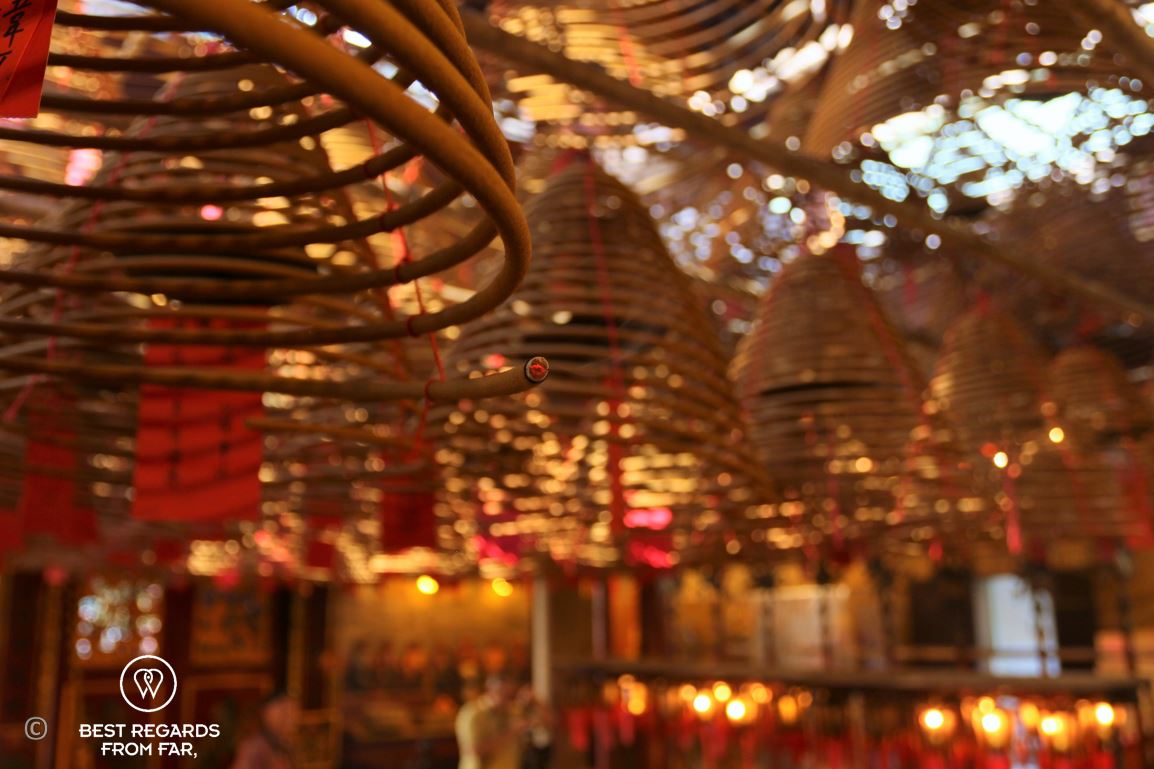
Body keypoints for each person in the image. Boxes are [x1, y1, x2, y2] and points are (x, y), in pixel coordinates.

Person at [455, 675, 523, 769]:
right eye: (504, 694)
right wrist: (511, 733)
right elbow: (472, 750)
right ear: (491, 690)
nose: (508, 699)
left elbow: (547, 722)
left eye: (511, 695)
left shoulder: (511, 711)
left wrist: (535, 700)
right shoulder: (472, 713)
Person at [230, 690, 299, 769]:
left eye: (293, 712)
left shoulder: (283, 746)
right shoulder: (254, 746)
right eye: (285, 712)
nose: (292, 719)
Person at [517, 686, 553, 769]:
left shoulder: (538, 707)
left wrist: (536, 701)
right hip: (525, 749)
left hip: (540, 748)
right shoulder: (518, 709)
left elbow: (550, 721)